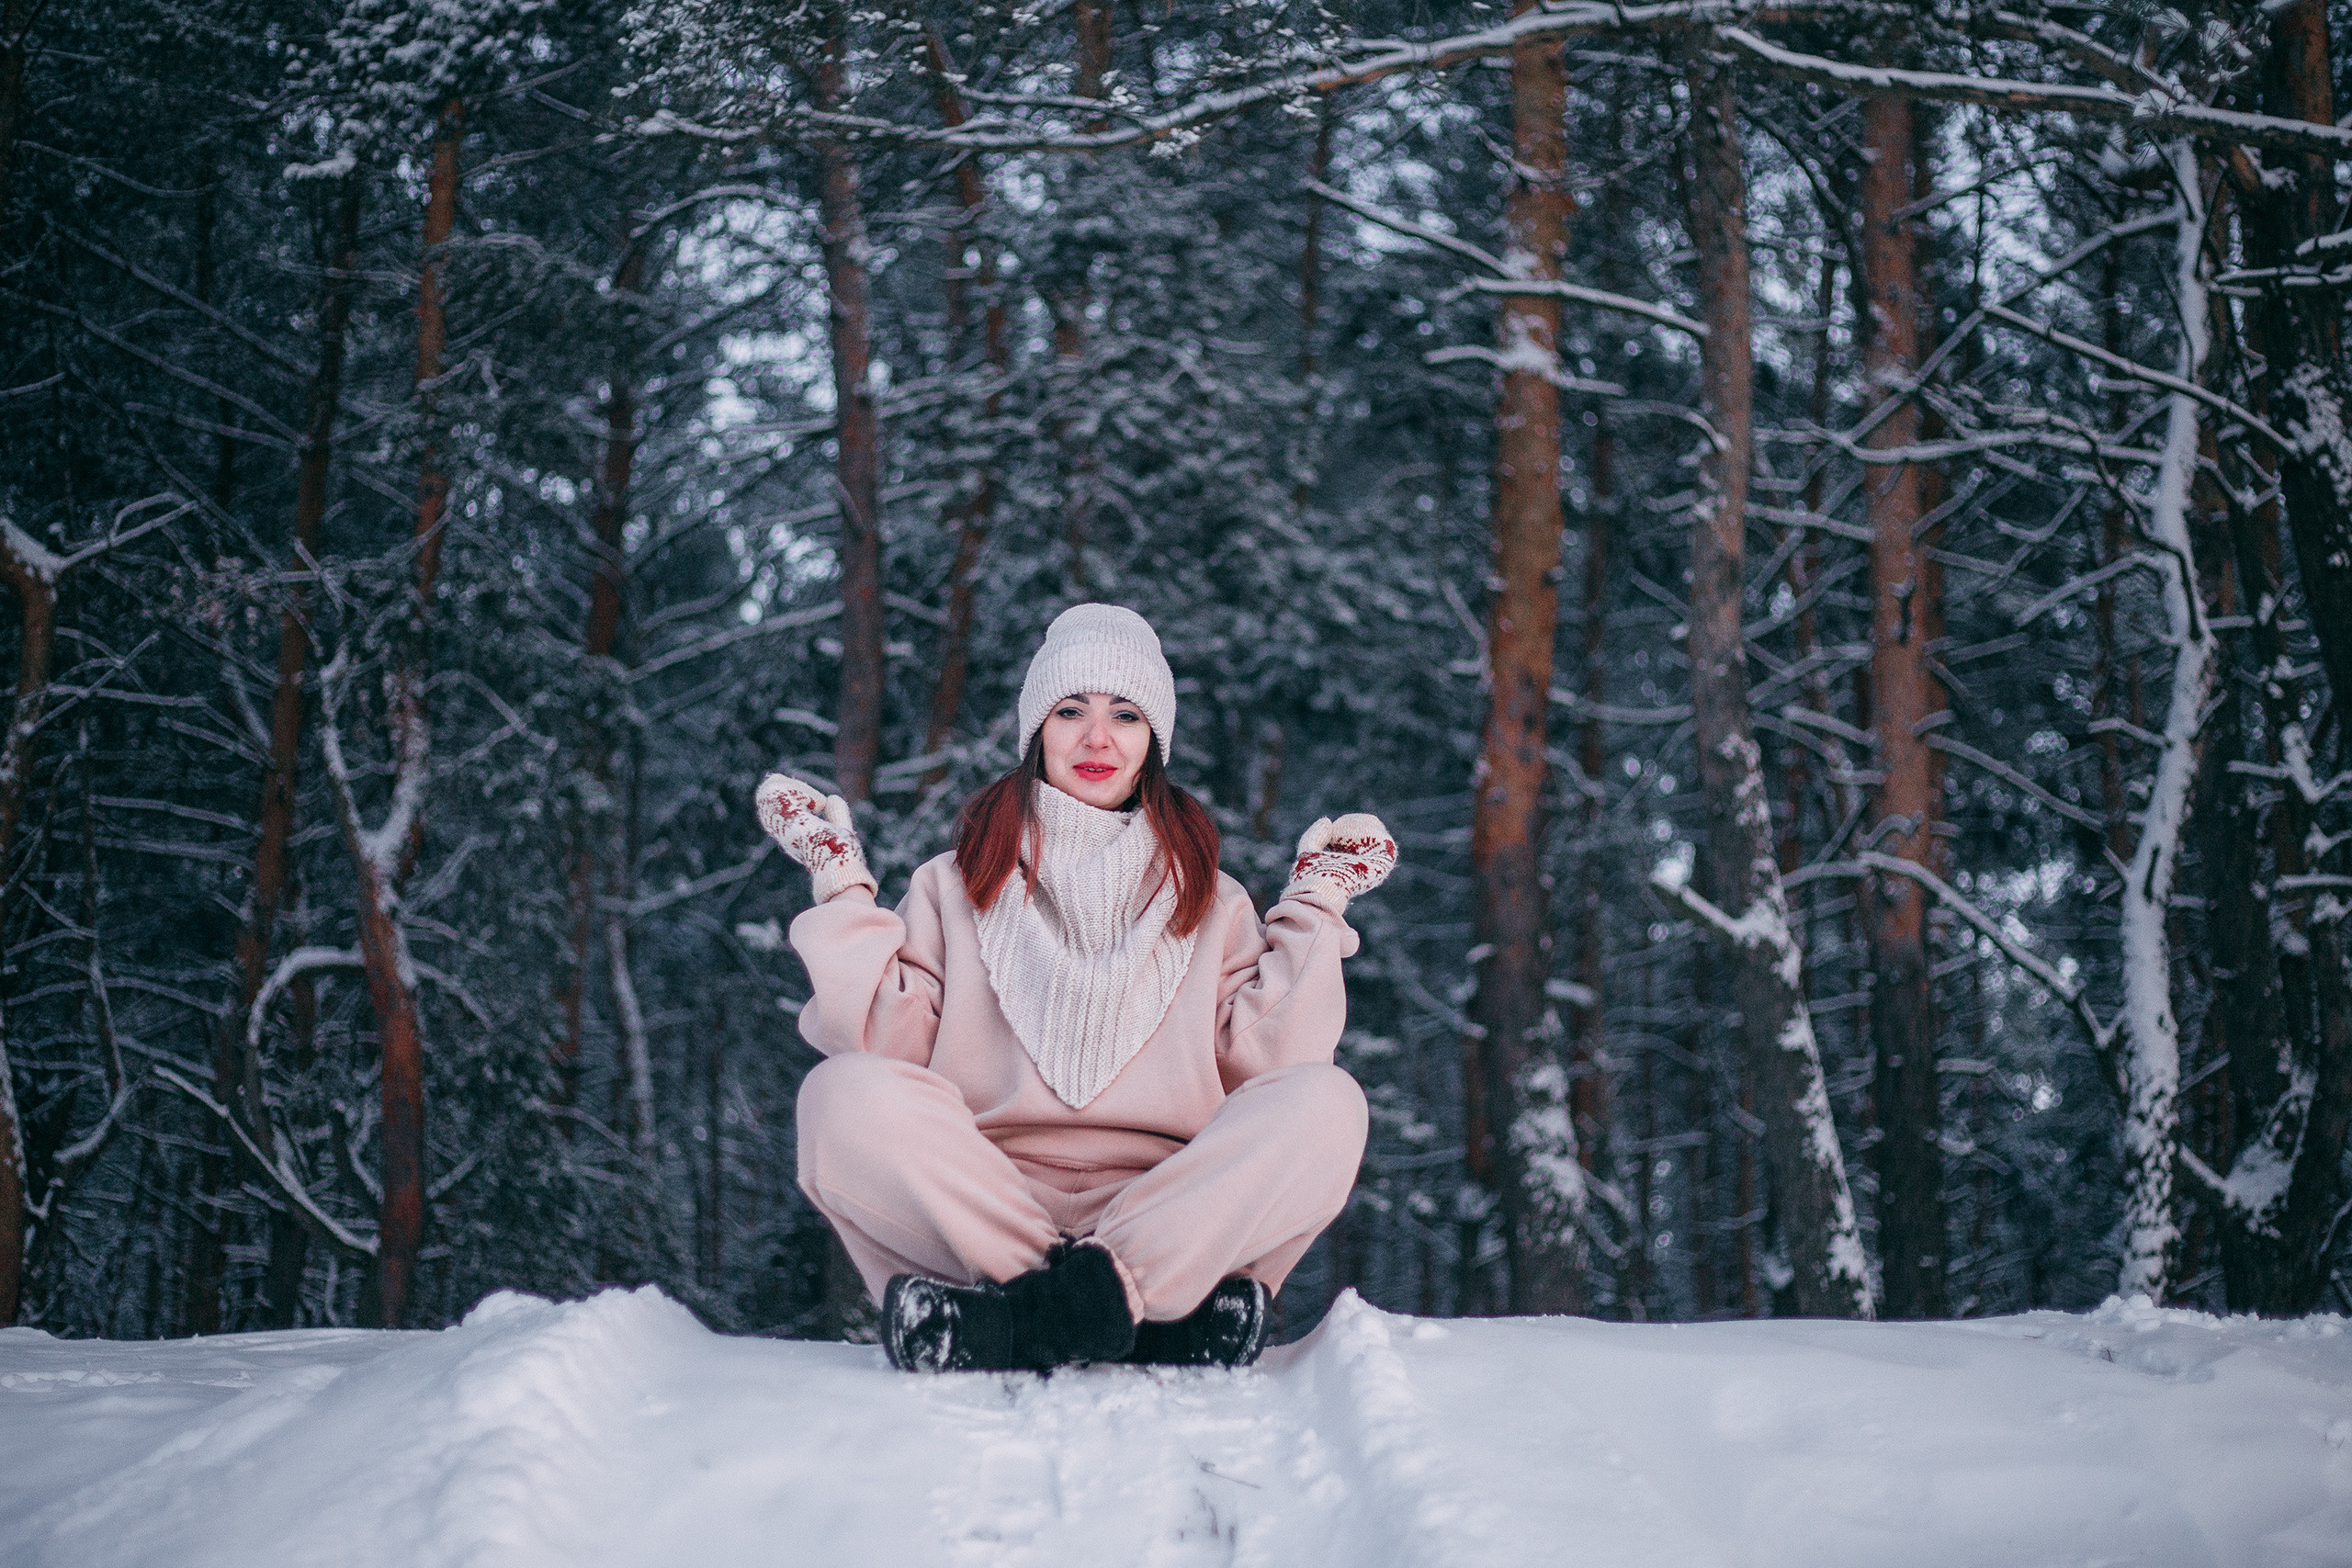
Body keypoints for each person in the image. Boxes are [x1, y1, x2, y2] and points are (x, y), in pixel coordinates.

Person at [755, 604, 1396, 1373]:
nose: (1098, 738)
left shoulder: (1213, 898)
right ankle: (1138, 1316)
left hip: (1168, 1209)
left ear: (1152, 739)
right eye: (1071, 711)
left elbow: (1275, 1063)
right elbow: (881, 1044)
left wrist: (1317, 908)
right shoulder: (951, 885)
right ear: (1037, 732)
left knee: (1328, 1102)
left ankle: (1029, 1320)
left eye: (1125, 714)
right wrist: (842, 889)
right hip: (984, 1205)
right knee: (840, 1092)